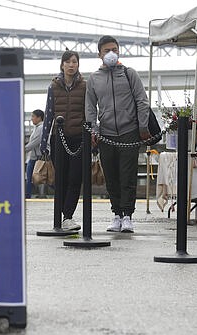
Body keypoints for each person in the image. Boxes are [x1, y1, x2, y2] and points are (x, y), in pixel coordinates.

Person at [85, 35, 151, 233]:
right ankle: (116, 214)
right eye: (107, 50)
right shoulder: (94, 78)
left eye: (114, 49)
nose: (111, 53)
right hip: (106, 134)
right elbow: (90, 107)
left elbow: (142, 100)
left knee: (127, 175)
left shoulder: (130, 74)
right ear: (99, 54)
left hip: (129, 132)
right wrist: (93, 129)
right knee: (111, 176)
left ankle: (128, 215)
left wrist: (142, 126)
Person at [40, 50, 85, 231]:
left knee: (75, 178)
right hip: (58, 138)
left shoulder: (84, 86)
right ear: (62, 65)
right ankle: (60, 215)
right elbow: (49, 113)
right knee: (60, 178)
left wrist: (92, 136)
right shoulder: (54, 86)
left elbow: (88, 111)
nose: (71, 65)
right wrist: (44, 141)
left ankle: (68, 216)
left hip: (78, 138)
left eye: (74, 62)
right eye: (68, 62)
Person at [24, 109, 44, 199]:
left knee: (34, 177)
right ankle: (28, 195)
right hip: (33, 156)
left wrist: (23, 150)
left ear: (39, 118)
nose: (31, 118)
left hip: (36, 157)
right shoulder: (37, 127)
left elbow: (34, 142)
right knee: (31, 177)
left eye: (33, 116)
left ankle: (28, 196)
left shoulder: (40, 128)